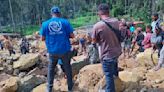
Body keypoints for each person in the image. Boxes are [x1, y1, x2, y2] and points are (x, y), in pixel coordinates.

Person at [40, 6, 74, 92]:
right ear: (59, 13)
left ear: (51, 14)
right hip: (64, 50)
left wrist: (51, 35)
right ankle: (70, 88)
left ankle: (49, 88)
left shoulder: (45, 24)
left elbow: (42, 38)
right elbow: (72, 36)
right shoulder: (65, 22)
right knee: (67, 68)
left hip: (52, 50)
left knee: (51, 69)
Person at [92, 4, 122, 92]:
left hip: (106, 54)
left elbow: (94, 41)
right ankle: (117, 85)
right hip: (116, 52)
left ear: (99, 13)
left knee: (108, 76)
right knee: (114, 71)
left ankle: (110, 90)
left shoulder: (98, 26)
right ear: (108, 12)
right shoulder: (116, 22)